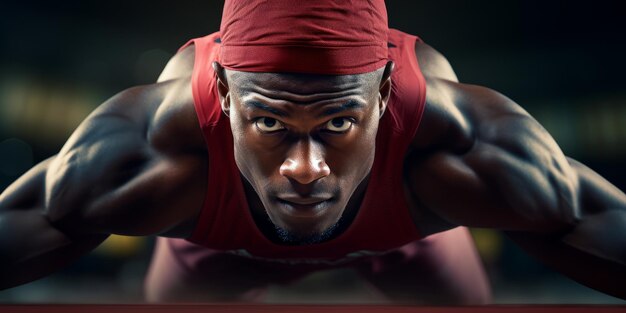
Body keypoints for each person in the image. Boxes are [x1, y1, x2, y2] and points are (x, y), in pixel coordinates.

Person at [0, 0, 624, 304]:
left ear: (384, 94)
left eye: (339, 121)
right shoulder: (155, 149)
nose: (305, 170)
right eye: (270, 121)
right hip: (208, 252)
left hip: (409, 244)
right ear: (221, 91)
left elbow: (588, 220)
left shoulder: (458, 145)